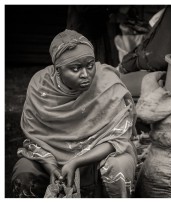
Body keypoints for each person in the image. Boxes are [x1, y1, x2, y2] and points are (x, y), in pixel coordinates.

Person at [11, 29, 137, 198]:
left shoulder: (108, 83)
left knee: (120, 165)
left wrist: (76, 161)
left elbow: (118, 138)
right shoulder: (40, 87)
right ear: (58, 71)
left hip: (96, 158)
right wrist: (51, 166)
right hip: (51, 157)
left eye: (90, 65)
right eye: (76, 68)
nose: (86, 74)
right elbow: (35, 136)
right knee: (24, 171)